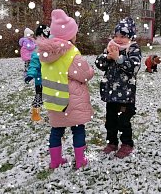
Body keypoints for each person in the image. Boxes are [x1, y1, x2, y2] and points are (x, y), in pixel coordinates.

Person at [37, 9, 95, 169]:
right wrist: (91, 71)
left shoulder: (46, 53)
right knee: (78, 129)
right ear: (70, 35)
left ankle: (55, 161)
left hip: (54, 98)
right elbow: (84, 75)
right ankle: (80, 160)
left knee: (56, 131)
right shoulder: (70, 52)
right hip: (71, 100)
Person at [95, 17, 142, 159]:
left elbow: (134, 67)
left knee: (123, 121)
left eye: (123, 36)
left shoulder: (133, 49)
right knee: (110, 121)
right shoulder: (111, 47)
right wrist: (108, 58)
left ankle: (127, 144)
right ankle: (112, 143)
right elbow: (99, 63)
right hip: (111, 94)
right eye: (116, 36)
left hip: (125, 96)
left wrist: (119, 58)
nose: (119, 39)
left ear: (130, 37)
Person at [24, 24, 50, 122]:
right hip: (40, 80)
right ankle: (35, 114)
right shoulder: (37, 50)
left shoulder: (51, 48)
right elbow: (34, 64)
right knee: (39, 96)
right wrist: (30, 74)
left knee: (50, 98)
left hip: (50, 79)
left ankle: (51, 115)